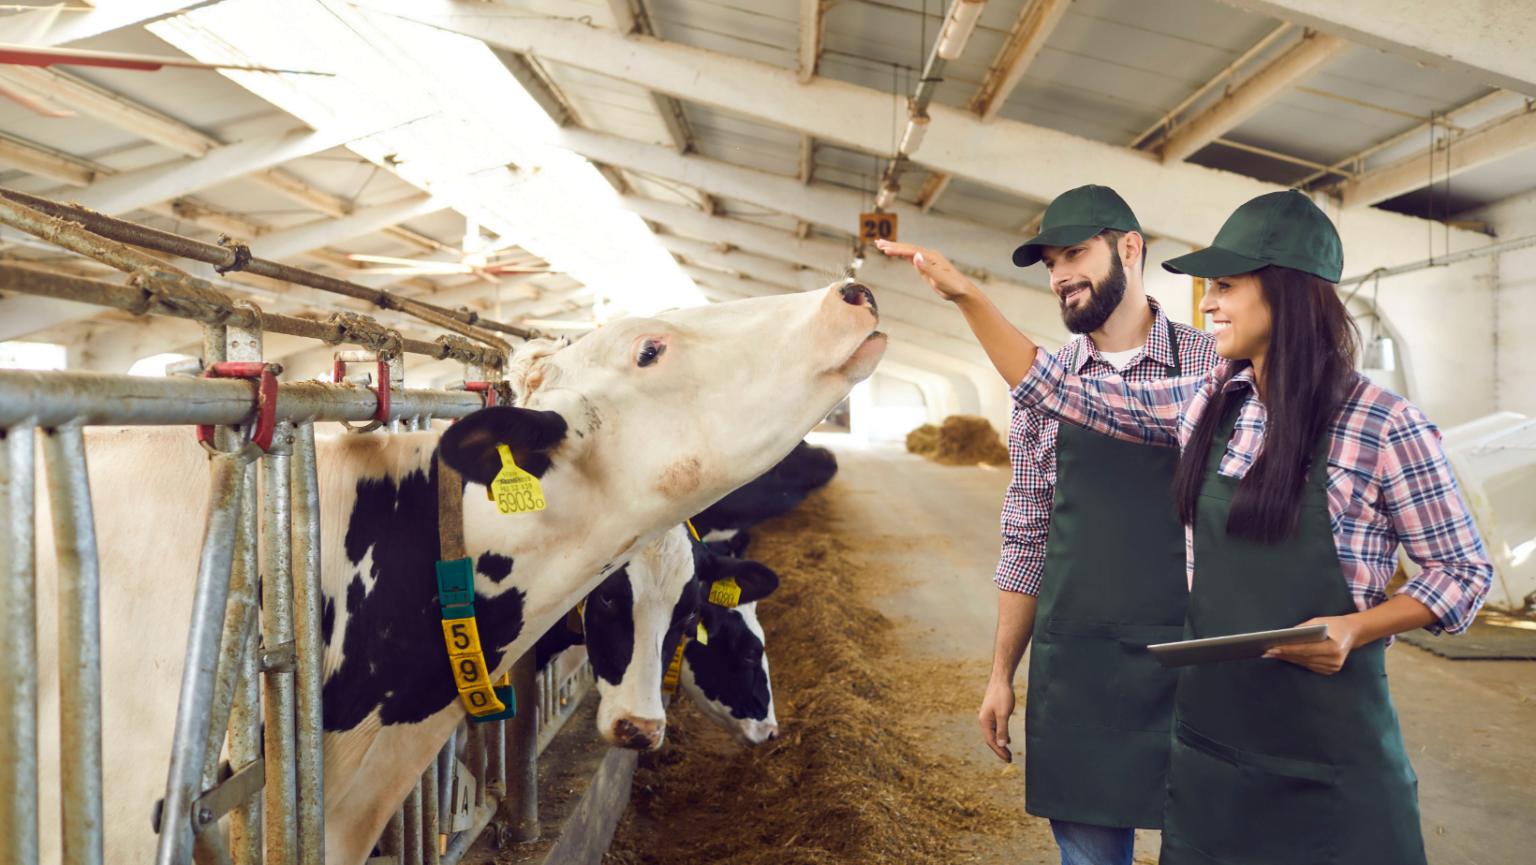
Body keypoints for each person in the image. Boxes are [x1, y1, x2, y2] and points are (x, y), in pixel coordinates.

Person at [878, 189, 1492, 865]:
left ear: (1287, 293)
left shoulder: (1385, 425)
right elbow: (1058, 391)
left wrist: (1356, 627)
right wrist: (965, 295)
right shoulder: (1211, 402)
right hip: (1214, 742)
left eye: (1225, 285)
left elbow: (1464, 575)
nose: (1208, 303)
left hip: (1328, 753)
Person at [968, 185, 1217, 865]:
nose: (1060, 275)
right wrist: (1001, 673)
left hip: (1193, 661)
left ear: (1129, 248)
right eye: (1050, 263)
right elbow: (1026, 538)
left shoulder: (1213, 368)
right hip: (1077, 665)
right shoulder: (1040, 387)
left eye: (1075, 252)